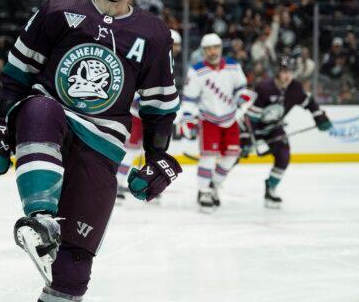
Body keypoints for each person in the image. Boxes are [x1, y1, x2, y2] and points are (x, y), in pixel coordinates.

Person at [0, 0, 182, 302]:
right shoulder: (58, 9)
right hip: (50, 118)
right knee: (40, 107)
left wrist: (155, 161)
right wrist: (4, 125)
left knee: (75, 268)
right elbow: (18, 75)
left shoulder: (153, 34)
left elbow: (159, 109)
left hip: (103, 145)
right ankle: (40, 219)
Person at [244, 56, 332, 209]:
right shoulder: (264, 87)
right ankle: (212, 186)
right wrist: (249, 139)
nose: (287, 76)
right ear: (278, 72)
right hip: (252, 127)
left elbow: (309, 103)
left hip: (273, 128)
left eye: (290, 72)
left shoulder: (295, 89)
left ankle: (270, 188)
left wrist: (319, 117)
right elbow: (251, 118)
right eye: (284, 71)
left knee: (283, 155)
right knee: (234, 155)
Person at [181, 33, 254, 210]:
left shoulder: (233, 66)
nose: (212, 52)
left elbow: (240, 89)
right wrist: (188, 119)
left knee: (231, 156)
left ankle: (213, 184)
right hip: (208, 119)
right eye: (208, 49)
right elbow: (189, 99)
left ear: (221, 48)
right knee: (208, 156)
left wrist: (242, 97)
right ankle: (204, 190)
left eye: (215, 48)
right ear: (203, 51)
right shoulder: (196, 71)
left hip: (231, 118)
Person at [116, 30, 181, 203]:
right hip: (138, 114)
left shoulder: (170, 63)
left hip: (156, 116)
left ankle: (149, 180)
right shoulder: (149, 57)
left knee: (155, 152)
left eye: (178, 45)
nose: (175, 48)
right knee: (131, 150)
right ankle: (117, 184)